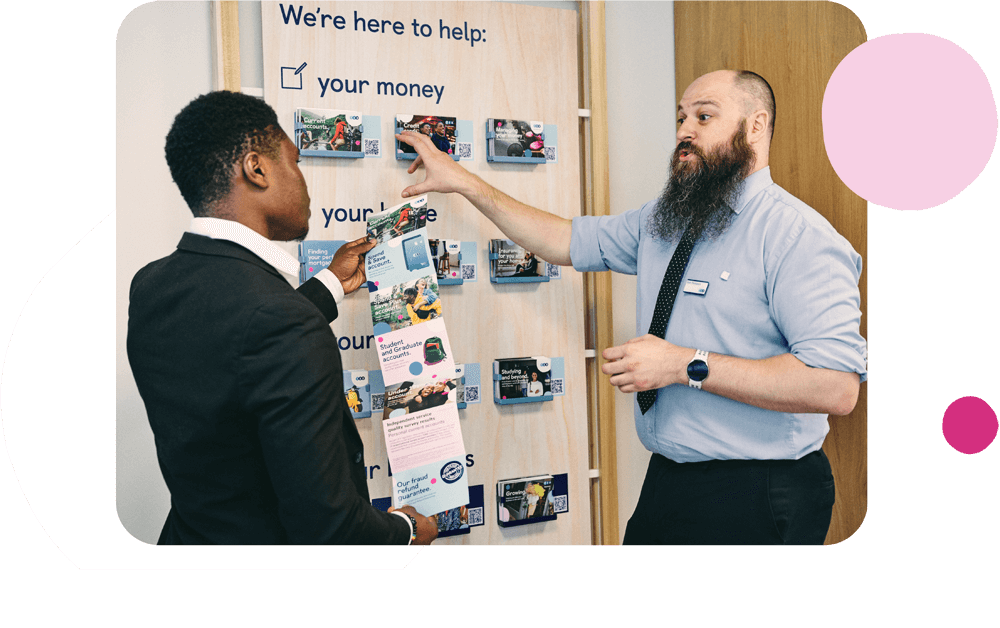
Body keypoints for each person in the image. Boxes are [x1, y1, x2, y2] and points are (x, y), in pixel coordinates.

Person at [396, 69, 868, 545]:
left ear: (756, 126)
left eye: (704, 117)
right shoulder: (667, 218)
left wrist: (683, 365)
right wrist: (464, 182)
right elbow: (564, 239)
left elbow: (835, 386)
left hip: (762, 491)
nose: (685, 130)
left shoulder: (798, 237)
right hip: (670, 480)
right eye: (682, 118)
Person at [127, 90, 437, 545]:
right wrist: (408, 529)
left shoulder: (151, 284)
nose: (304, 181)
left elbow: (235, 349)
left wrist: (330, 283)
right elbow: (329, 527)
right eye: (295, 161)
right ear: (256, 169)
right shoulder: (280, 320)